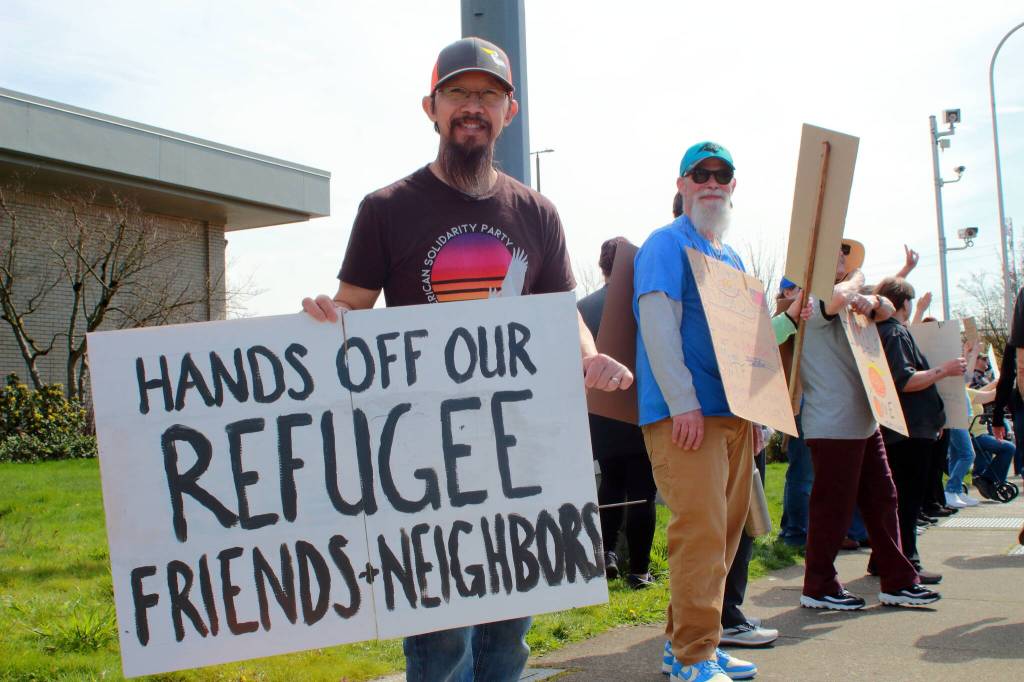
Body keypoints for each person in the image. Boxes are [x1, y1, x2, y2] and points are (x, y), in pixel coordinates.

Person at [301, 37, 633, 682]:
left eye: (488, 94)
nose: (472, 106)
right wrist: (327, 322)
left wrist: (592, 358)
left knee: (511, 630)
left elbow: (559, 312)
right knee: (440, 634)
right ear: (432, 107)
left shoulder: (537, 212)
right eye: (459, 93)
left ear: (509, 111)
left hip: (521, 449)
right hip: (424, 458)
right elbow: (354, 311)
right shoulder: (386, 208)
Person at [635, 141, 759, 682]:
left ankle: (691, 642)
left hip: (732, 417)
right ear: (681, 185)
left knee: (726, 533)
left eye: (722, 175)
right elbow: (658, 325)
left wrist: (754, 414)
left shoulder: (730, 256)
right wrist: (683, 403)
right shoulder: (665, 244)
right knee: (701, 532)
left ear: (733, 186)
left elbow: (745, 343)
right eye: (699, 174)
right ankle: (693, 656)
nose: (712, 182)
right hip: (686, 417)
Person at [796, 243, 939, 611]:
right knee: (834, 507)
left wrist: (872, 302)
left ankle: (898, 580)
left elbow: (890, 307)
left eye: (847, 255)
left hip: (864, 420)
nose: (843, 259)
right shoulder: (810, 297)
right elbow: (836, 299)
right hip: (832, 423)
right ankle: (818, 586)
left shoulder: (855, 296)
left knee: (883, 498)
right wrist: (860, 289)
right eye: (836, 252)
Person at [874, 276, 965, 585]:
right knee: (908, 500)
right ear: (904, 303)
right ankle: (907, 561)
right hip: (911, 431)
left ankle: (884, 558)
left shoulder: (884, 332)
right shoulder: (896, 333)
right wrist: (945, 370)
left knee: (897, 498)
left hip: (904, 428)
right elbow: (906, 380)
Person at [578, 237, 657, 590]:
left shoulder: (582, 308)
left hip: (598, 413)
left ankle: (606, 554)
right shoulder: (641, 304)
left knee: (610, 483)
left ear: (601, 267)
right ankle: (639, 570)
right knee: (643, 489)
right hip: (637, 408)